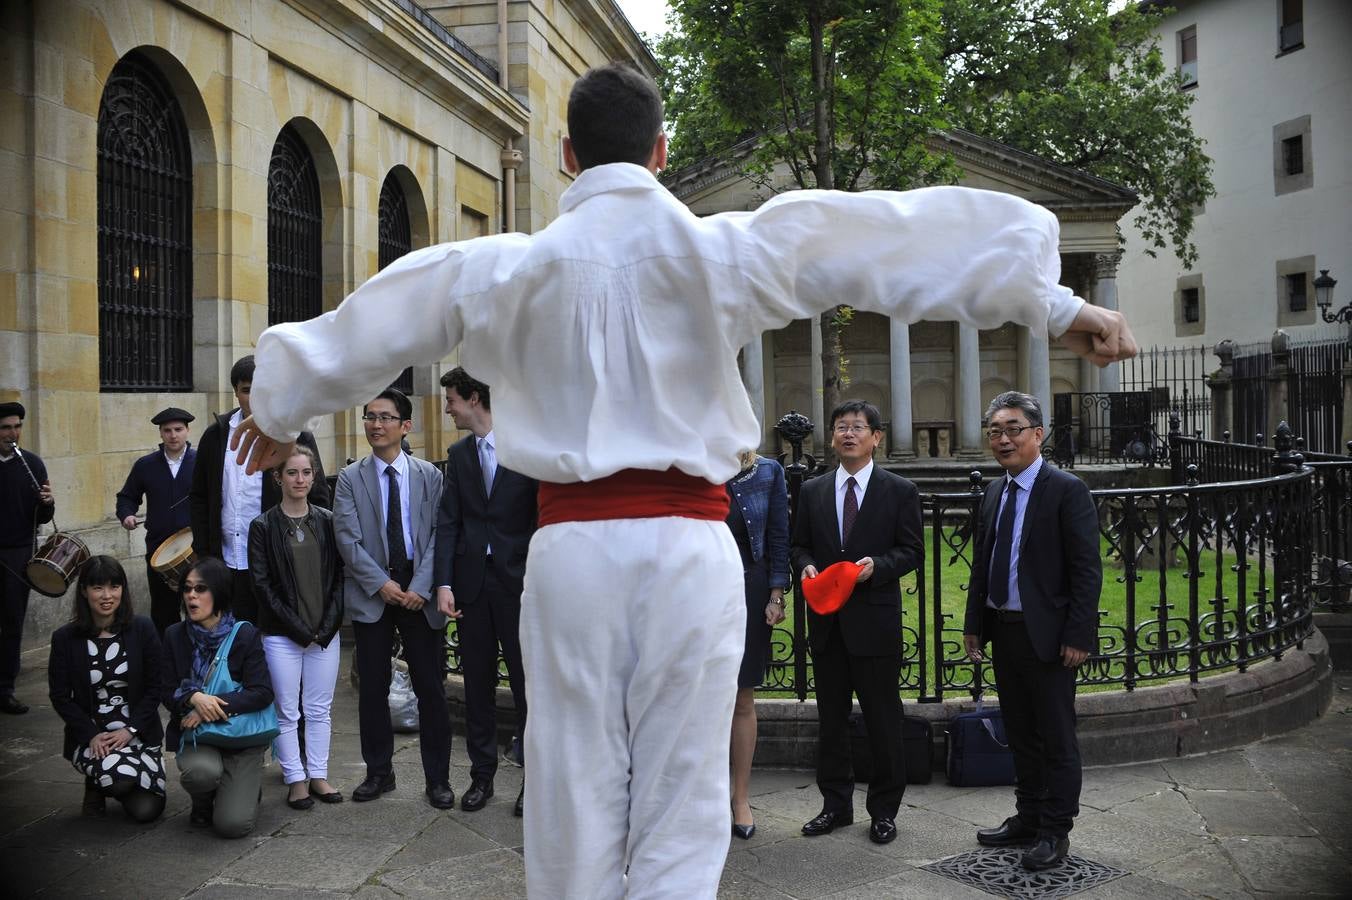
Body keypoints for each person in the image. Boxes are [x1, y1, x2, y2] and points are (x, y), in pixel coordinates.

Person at [229, 63, 1136, 898]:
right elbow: (876, 238)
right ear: (663, 153)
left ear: (565, 154)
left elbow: (389, 310)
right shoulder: (724, 251)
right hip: (693, 554)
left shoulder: (510, 265)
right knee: (684, 791)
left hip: (572, 554)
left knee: (570, 783)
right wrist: (1053, 301)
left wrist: (276, 406)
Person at [963, 391, 1102, 871]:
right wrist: (974, 624)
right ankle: (1027, 816)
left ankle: (1054, 831)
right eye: (995, 431)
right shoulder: (996, 490)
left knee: (1056, 737)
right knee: (1020, 732)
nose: (1003, 440)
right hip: (1006, 631)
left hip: (1050, 637)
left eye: (1013, 429)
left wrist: (1079, 634)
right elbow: (984, 563)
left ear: (1037, 434)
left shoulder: (1067, 490)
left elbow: (1087, 570)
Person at [790, 400, 923, 845]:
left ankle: (884, 810)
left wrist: (878, 568)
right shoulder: (812, 491)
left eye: (858, 427)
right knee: (831, 721)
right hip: (827, 625)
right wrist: (805, 565)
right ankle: (835, 805)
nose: (849, 434)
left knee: (884, 721)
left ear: (876, 437)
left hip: (875, 624)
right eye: (841, 427)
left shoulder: (899, 490)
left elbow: (911, 551)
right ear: (832, 437)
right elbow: (799, 545)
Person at [333, 389, 453, 809]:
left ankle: (438, 779)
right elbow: (347, 539)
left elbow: (440, 533)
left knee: (431, 688)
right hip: (373, 591)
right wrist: (380, 584)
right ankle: (378, 772)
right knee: (373, 688)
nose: (375, 425)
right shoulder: (350, 477)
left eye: (385, 417)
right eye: (369, 417)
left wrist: (421, 585)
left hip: (418, 590)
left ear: (406, 426)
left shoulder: (429, 476)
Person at [434, 367, 537, 817]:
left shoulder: (526, 448)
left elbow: (540, 517)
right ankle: (482, 778)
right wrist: (443, 582)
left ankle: (534, 782)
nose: (447, 408)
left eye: (452, 399)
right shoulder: (458, 455)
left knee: (526, 685)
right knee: (476, 685)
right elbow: (449, 521)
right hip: (472, 584)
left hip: (520, 585)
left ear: (474, 398)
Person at [190, 355, 329, 625]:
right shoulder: (215, 436)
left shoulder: (295, 436)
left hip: (279, 563)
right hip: (228, 561)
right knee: (233, 639)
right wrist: (204, 550)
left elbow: (319, 497)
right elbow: (199, 496)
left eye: (261, 389)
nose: (254, 397)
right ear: (236, 393)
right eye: (246, 390)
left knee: (275, 642)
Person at [248, 444, 345, 810]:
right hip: (282, 635)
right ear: (278, 478)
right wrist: (298, 629)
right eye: (292, 473)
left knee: (320, 709)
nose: (300, 479)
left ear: (314, 476)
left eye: (306, 472)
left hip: (324, 633)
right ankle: (296, 780)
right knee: (288, 710)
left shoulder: (327, 520)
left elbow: (339, 577)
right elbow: (262, 585)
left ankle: (318, 774)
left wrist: (329, 623)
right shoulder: (262, 526)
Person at [48, 555, 167, 822]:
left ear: (123, 589)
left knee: (147, 811)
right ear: (84, 591)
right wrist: (90, 734)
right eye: (98, 587)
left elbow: (155, 686)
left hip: (137, 731)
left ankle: (111, 777)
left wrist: (130, 730)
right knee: (119, 782)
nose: (107, 595)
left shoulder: (142, 629)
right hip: (94, 737)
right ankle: (97, 783)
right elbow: (59, 696)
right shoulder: (65, 639)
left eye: (114, 587)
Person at [163, 556, 275, 838]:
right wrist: (192, 697)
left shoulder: (245, 635)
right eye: (187, 588)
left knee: (233, 826)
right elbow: (165, 688)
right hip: (200, 736)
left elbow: (261, 693)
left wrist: (206, 706)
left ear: (219, 593)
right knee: (201, 774)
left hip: (242, 737)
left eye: (201, 589)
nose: (191, 596)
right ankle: (203, 801)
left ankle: (244, 787)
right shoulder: (175, 635)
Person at [724, 449, 789, 841]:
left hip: (749, 586)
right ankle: (703, 796)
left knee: (742, 696)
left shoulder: (767, 471)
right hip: (698, 587)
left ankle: (740, 798)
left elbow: (779, 533)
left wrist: (776, 594)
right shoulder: (691, 462)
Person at [116, 407, 197, 635]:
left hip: (195, 549)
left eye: (178, 429)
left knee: (198, 609)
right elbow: (126, 497)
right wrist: (127, 514)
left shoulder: (201, 462)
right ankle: (166, 662)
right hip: (158, 549)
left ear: (187, 431)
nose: (173, 435)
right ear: (160, 434)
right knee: (163, 613)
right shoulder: (146, 465)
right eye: (167, 430)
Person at [0, 401, 55, 715]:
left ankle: (5, 689)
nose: (13, 433)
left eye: (17, 426)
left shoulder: (31, 463)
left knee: (12, 623)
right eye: (6, 428)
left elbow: (44, 516)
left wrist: (48, 502)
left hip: (19, 552)